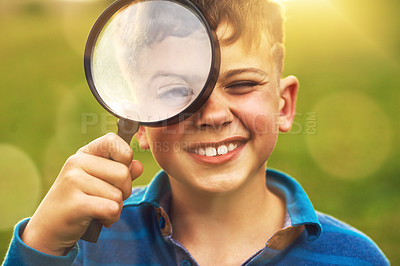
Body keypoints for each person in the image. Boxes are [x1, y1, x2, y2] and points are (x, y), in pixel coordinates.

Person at [4, 0, 389, 265]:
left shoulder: (355, 258)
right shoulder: (87, 244)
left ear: (284, 105)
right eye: (174, 92)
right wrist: (42, 245)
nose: (213, 114)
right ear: (136, 119)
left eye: (240, 85)